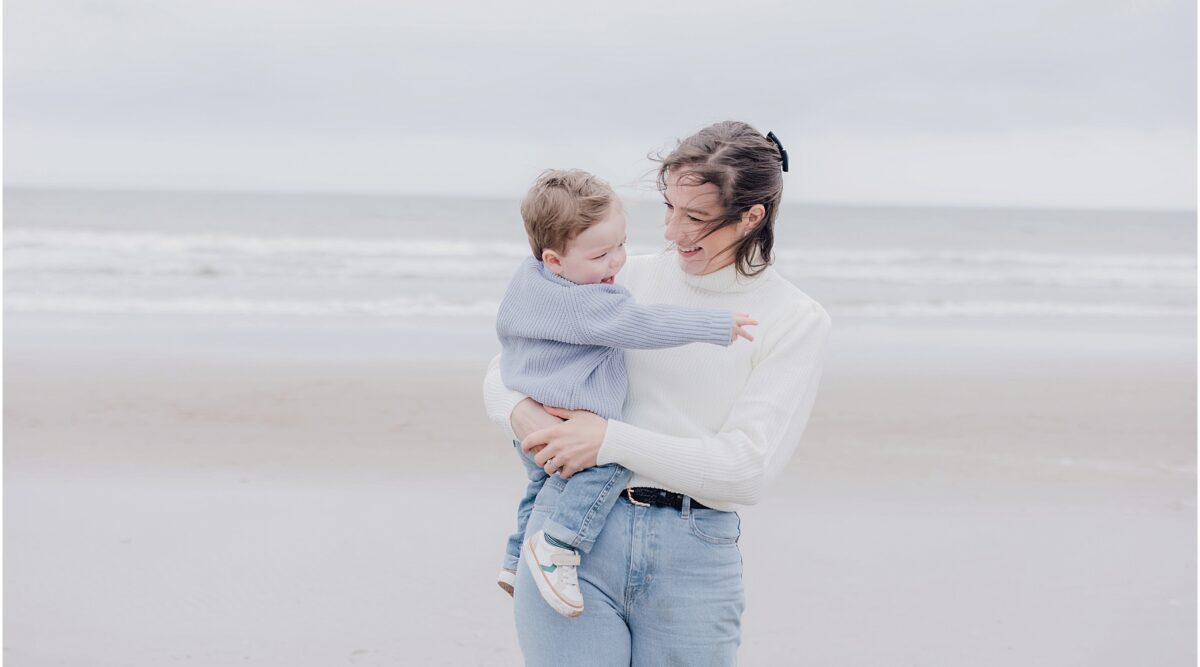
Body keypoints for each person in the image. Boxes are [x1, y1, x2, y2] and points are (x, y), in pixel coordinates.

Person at [483, 121, 831, 665]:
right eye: (668, 208)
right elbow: (510, 365)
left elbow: (746, 471)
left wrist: (609, 440)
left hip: (692, 554)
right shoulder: (616, 276)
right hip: (566, 541)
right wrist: (522, 415)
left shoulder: (793, 319)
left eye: (694, 217)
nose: (671, 231)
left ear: (752, 216)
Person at [495, 168, 758, 618]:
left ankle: (517, 558)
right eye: (601, 254)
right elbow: (643, 325)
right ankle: (558, 545)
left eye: (621, 245)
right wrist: (713, 325)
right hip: (566, 421)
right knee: (610, 466)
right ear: (555, 259)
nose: (616, 262)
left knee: (539, 488)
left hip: (532, 421)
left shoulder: (528, 281)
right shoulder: (590, 303)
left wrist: (518, 408)